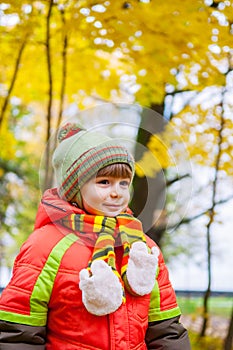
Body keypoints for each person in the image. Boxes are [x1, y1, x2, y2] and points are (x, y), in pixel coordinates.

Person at [0, 123, 191, 349]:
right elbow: (19, 333)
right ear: (74, 188)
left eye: (123, 183)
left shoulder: (142, 247)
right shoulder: (45, 246)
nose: (116, 192)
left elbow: (166, 330)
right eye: (104, 182)